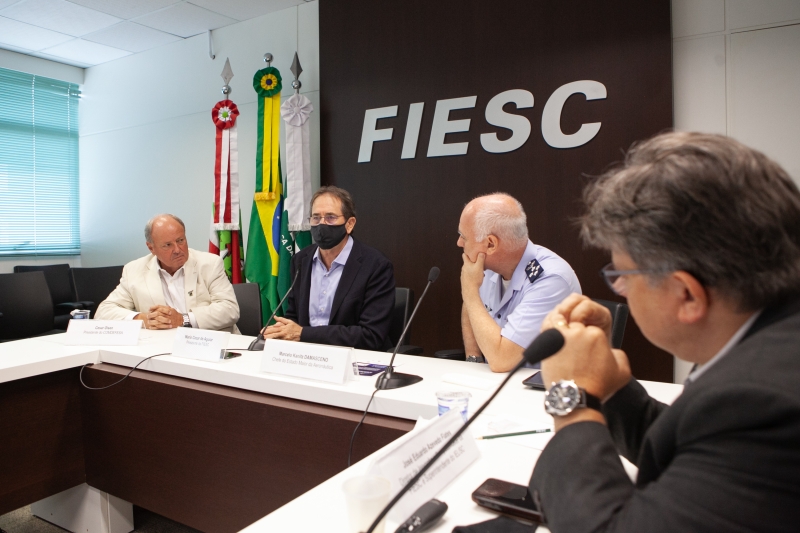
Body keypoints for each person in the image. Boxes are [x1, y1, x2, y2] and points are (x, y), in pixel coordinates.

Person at [529, 132, 800, 532]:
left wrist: (572, 397)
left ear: (687, 294)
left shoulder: (762, 404)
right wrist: (615, 388)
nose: (617, 290)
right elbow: (702, 449)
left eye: (621, 275)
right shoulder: (770, 341)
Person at [261, 186, 395, 350]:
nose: (321, 224)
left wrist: (303, 334)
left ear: (350, 224)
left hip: (354, 359)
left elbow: (370, 335)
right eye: (316, 218)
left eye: (330, 217)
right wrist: (280, 331)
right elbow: (294, 316)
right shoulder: (301, 260)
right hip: (306, 356)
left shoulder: (375, 265)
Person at [458, 193, 581, 372]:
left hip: (545, 390)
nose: (459, 243)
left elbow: (502, 360)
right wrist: (473, 358)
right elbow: (471, 307)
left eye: (464, 236)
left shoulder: (550, 278)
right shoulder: (486, 267)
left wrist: (469, 290)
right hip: (497, 384)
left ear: (491, 244)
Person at [96, 214, 240, 332]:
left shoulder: (209, 264)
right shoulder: (134, 270)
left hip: (210, 344)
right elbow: (103, 312)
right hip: (160, 349)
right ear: (151, 248)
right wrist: (143, 319)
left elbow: (230, 310)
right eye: (168, 245)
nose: (178, 249)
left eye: (181, 240)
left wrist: (183, 319)